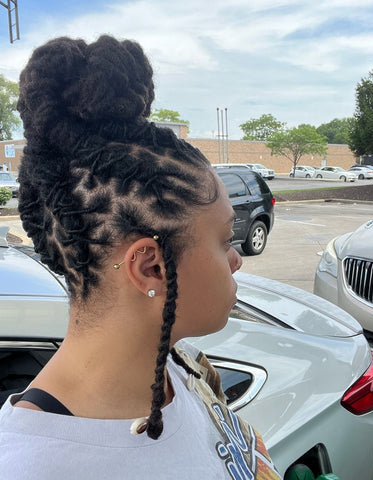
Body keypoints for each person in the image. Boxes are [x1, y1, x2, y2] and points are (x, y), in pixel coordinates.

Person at [0, 35, 281, 479]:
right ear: (151, 266)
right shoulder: (31, 467)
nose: (237, 260)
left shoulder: (181, 365)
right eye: (225, 240)